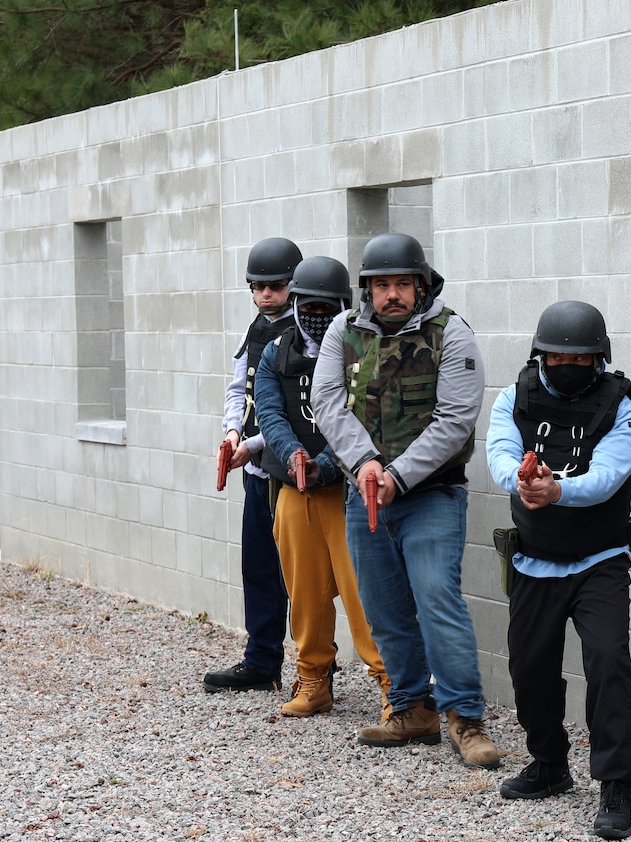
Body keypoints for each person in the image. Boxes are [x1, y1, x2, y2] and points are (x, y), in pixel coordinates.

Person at [311, 232, 501, 768]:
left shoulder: (452, 334)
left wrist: (397, 474)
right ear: (366, 289)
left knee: (437, 598)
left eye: (402, 284)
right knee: (382, 607)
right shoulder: (340, 331)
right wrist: (367, 465)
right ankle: (412, 708)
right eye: (380, 285)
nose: (391, 294)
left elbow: (455, 419)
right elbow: (325, 401)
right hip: (364, 492)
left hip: (432, 494)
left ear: (421, 286)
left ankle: (465, 718)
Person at [486, 301, 631, 840]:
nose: (568, 363)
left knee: (607, 664)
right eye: (557, 355)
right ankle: (550, 764)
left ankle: (616, 784)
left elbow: (609, 475)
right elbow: (501, 455)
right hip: (534, 559)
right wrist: (522, 482)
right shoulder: (515, 396)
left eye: (580, 357)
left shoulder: (620, 404)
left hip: (600, 558)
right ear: (541, 356)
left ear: (598, 359)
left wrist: (558, 490)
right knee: (529, 667)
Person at [253, 255, 393, 722]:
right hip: (295, 487)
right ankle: (313, 677)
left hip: (352, 485)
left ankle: (394, 684)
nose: (314, 314)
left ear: (344, 307)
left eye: (325, 306)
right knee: (304, 591)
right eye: (305, 304)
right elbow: (269, 413)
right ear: (293, 304)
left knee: (363, 592)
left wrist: (328, 466)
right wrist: (294, 455)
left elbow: (368, 418)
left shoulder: (361, 349)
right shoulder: (276, 351)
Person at [204, 237, 302, 695]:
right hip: (256, 468)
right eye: (258, 287)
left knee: (303, 574)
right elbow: (237, 388)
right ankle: (262, 661)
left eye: (276, 286)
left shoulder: (307, 331)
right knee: (259, 567)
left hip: (293, 471)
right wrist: (231, 434)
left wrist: (257, 443)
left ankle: (315, 667)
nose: (266, 295)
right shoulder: (256, 328)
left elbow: (301, 410)